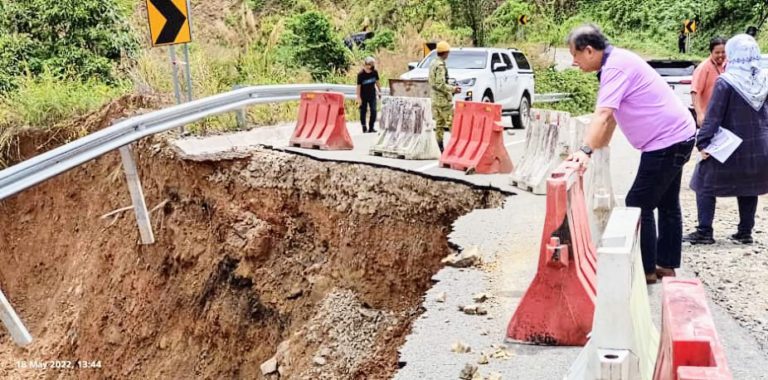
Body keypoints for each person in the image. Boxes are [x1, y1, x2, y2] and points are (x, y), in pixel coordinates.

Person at [566, 24, 696, 284]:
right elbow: (612, 116)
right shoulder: (615, 62)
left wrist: (584, 150)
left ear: (589, 51)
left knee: (639, 201)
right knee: (668, 202)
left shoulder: (615, 67)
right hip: (679, 135)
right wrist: (598, 148)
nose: (574, 62)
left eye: (575, 56)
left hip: (666, 141)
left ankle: (646, 270)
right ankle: (666, 266)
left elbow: (602, 114)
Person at [684, 34, 768, 246]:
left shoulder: (726, 82)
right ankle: (745, 232)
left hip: (728, 147)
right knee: (750, 186)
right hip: (758, 146)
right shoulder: (764, 80)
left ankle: (704, 231)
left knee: (702, 181)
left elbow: (713, 117)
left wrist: (702, 142)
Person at [429, 41, 461, 152]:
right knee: (453, 125)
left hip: (434, 99)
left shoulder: (433, 63)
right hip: (443, 101)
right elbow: (440, 84)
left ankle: (441, 149)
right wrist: (453, 89)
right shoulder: (440, 65)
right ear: (446, 52)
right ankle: (455, 149)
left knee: (439, 126)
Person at [691, 37, 727, 127]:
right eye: (717, 53)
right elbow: (695, 92)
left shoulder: (727, 65)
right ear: (711, 52)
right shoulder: (703, 68)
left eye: (723, 52)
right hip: (708, 117)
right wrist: (699, 114)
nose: (720, 55)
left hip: (724, 117)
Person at [356, 56, 381, 133]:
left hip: (372, 95)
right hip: (363, 95)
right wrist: (359, 97)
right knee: (363, 111)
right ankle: (364, 127)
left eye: (373, 64)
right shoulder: (361, 74)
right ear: (366, 65)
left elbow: (377, 83)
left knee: (373, 110)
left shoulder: (374, 72)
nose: (372, 66)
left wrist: (379, 91)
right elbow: (358, 87)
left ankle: (371, 127)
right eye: (371, 64)